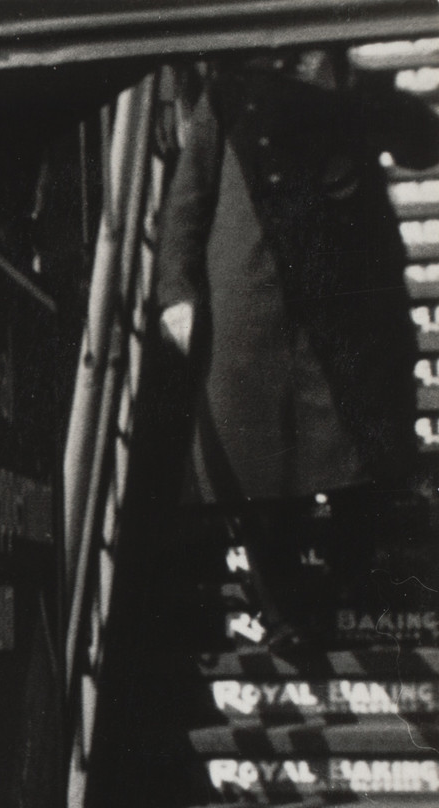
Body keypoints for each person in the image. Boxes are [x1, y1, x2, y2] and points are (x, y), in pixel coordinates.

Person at [156, 49, 439, 641]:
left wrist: (363, 82)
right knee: (252, 472)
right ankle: (285, 612)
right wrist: (176, 293)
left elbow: (423, 145)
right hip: (253, 312)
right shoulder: (226, 99)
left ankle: (347, 586)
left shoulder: (350, 88)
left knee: (361, 454)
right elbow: (188, 204)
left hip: (341, 311)